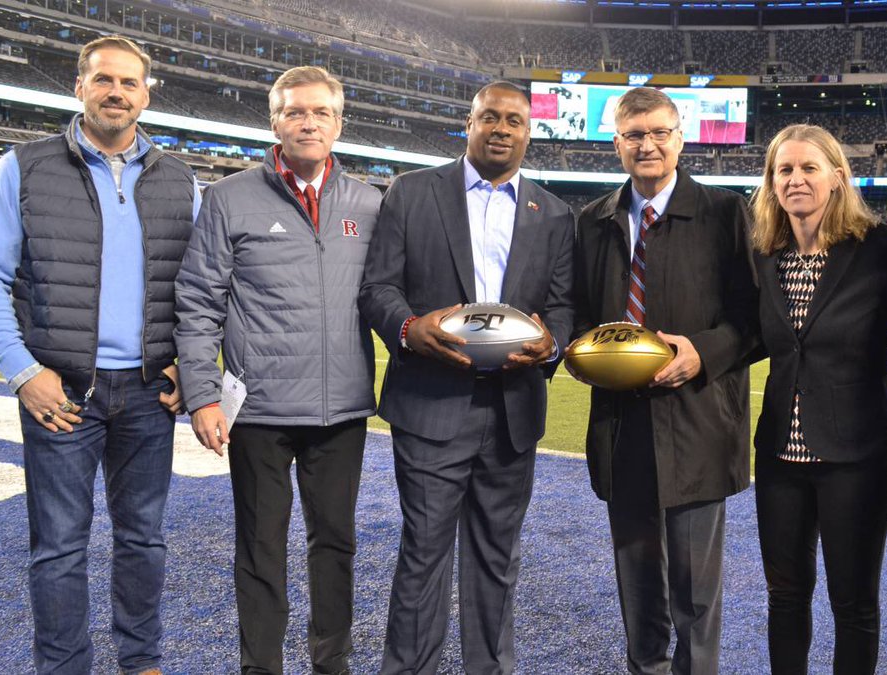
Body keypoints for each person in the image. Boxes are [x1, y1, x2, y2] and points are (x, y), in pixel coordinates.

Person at [0, 35, 199, 674]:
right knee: (60, 549)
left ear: (146, 94)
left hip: (150, 391)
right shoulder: (24, 166)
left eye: (130, 83)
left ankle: (141, 662)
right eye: (104, 79)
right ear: (79, 87)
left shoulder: (181, 181)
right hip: (62, 390)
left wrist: (189, 362)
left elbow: (200, 287)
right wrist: (21, 373)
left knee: (143, 540)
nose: (116, 92)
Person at [359, 80, 574, 674]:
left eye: (514, 121)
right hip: (432, 404)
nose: (501, 129)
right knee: (424, 555)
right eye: (489, 118)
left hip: (513, 414)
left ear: (529, 132)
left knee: (496, 560)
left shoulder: (553, 213)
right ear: (469, 123)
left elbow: (560, 307)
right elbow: (378, 287)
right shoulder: (411, 192)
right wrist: (409, 330)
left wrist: (548, 343)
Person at [174, 66, 381, 674]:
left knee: (336, 545)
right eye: (295, 112)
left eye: (320, 112)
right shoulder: (229, 198)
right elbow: (198, 302)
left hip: (342, 409)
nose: (308, 122)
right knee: (261, 550)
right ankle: (260, 667)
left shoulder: (369, 203)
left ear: (339, 123)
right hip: (259, 411)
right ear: (275, 122)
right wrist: (202, 395)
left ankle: (331, 662)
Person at [572, 86, 758, 675]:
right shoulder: (593, 220)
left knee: (695, 590)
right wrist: (590, 356)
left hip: (697, 420)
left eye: (659, 132)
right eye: (634, 135)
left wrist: (701, 353)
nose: (647, 144)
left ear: (680, 138)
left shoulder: (726, 212)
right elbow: (578, 316)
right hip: (622, 425)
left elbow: (755, 321)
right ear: (617, 143)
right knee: (637, 584)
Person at [749, 124, 887, 675]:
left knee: (854, 603)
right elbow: (747, 335)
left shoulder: (879, 249)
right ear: (771, 182)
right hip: (779, 458)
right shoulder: (764, 253)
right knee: (785, 597)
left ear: (838, 177)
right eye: (784, 170)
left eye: (809, 167)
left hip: (858, 458)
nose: (795, 179)